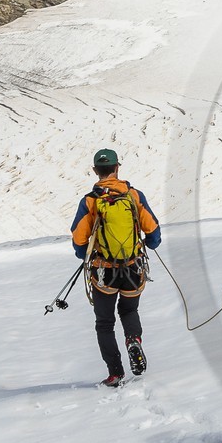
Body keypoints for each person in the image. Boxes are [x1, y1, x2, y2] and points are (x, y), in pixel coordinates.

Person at [71, 148, 162, 387]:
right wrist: (150, 244)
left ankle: (115, 373)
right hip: (133, 268)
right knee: (129, 311)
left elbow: (79, 238)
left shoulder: (91, 200)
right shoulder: (133, 195)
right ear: (117, 168)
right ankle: (133, 339)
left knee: (104, 323)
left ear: (95, 171)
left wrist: (85, 255)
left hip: (103, 271)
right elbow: (153, 231)